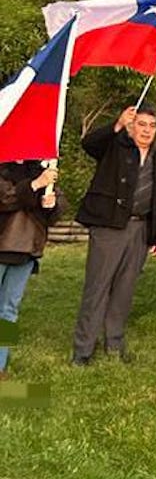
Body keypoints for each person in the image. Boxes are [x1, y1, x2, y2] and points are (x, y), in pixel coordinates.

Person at [71, 105, 156, 366]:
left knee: (124, 290)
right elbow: (88, 144)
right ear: (131, 126)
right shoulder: (114, 146)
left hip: (140, 231)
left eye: (152, 126)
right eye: (141, 124)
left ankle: (114, 345)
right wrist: (116, 125)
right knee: (97, 288)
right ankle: (83, 350)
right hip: (109, 227)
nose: (147, 130)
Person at [0, 161, 60, 378]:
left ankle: (0, 364)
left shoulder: (42, 169)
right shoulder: (3, 167)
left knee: (9, 310)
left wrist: (51, 203)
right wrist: (34, 185)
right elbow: (5, 198)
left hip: (27, 250)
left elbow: (55, 212)